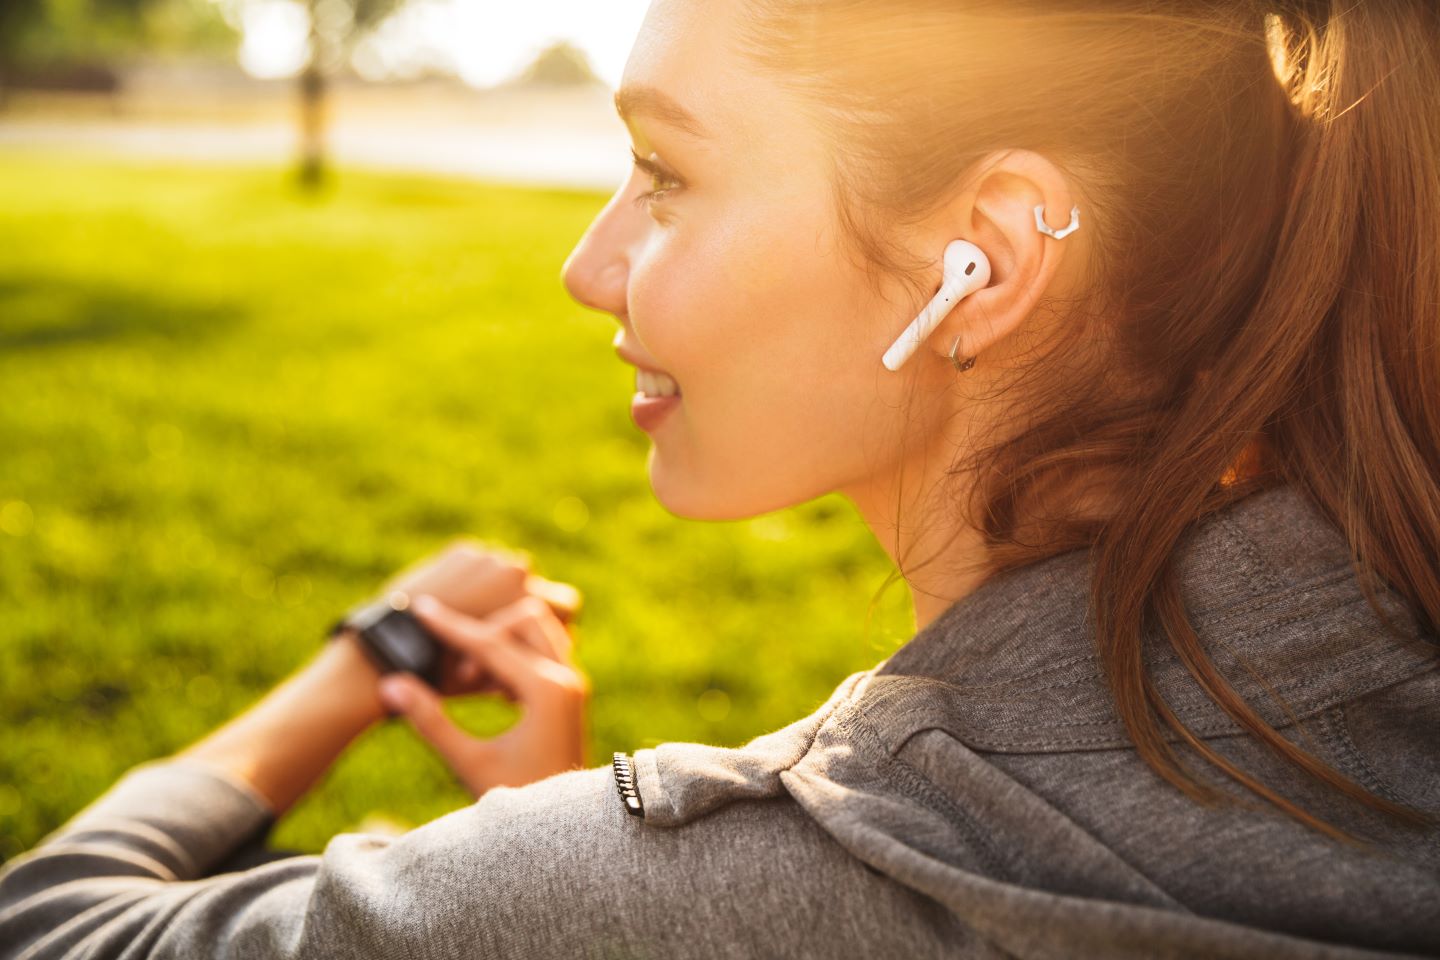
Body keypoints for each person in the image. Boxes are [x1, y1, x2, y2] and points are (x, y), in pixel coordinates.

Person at [2, 0, 1438, 956]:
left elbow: (55, 923)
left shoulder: (755, 885)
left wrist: (370, 673)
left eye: (665, 174)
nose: (586, 267)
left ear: (981, 263)